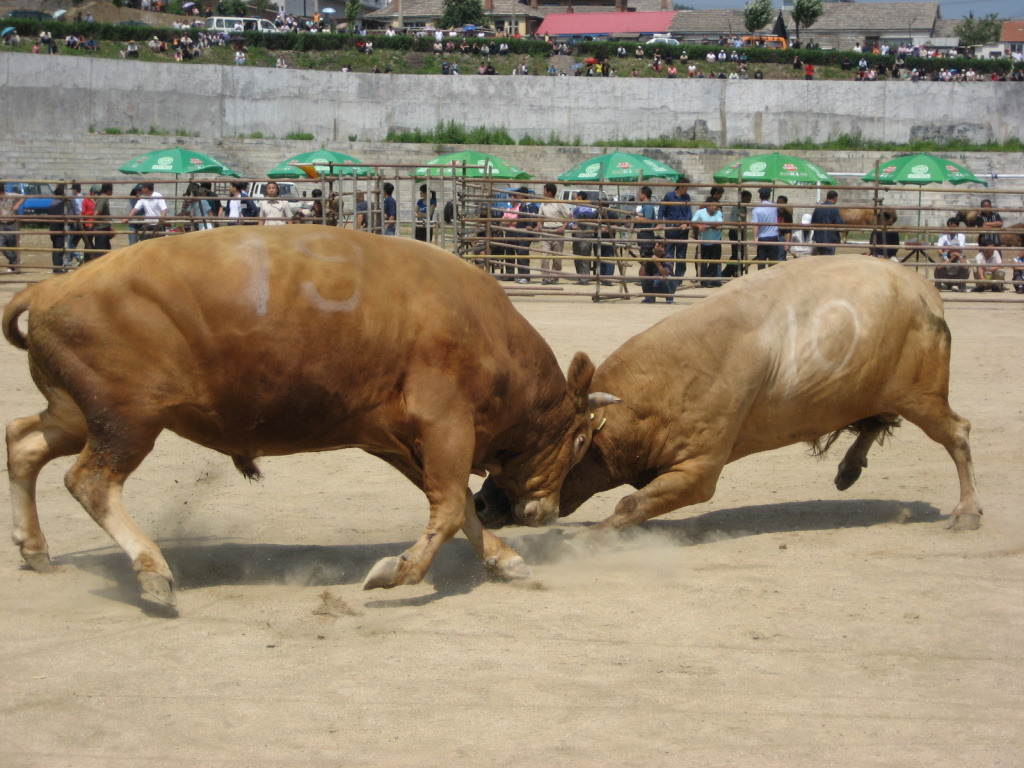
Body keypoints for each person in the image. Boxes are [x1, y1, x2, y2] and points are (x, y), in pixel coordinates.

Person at [535, 183, 569, 284]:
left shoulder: (559, 203)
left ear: (549, 192)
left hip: (557, 231)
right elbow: (539, 216)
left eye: (544, 190)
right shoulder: (543, 203)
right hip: (546, 231)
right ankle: (545, 277)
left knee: (557, 258)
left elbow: (569, 215)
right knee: (545, 256)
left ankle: (555, 277)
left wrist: (563, 226)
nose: (543, 192)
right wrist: (539, 224)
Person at [660, 181, 692, 283]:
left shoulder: (687, 197)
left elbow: (689, 212)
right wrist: (659, 222)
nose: (687, 189)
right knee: (669, 253)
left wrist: (686, 223)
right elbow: (662, 210)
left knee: (681, 255)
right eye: (685, 187)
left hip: (682, 230)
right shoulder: (669, 196)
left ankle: (678, 278)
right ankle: (669, 275)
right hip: (671, 229)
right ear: (680, 186)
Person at [691, 196, 724, 287]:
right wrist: (698, 225)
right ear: (708, 205)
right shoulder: (700, 212)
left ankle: (709, 280)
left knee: (714, 262)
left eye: (716, 205)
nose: (715, 207)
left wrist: (707, 225)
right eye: (713, 205)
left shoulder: (718, 213)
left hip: (715, 241)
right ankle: (703, 280)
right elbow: (693, 222)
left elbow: (719, 223)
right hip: (703, 242)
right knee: (701, 262)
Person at [570, 191, 598, 284]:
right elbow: (572, 219)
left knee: (585, 256)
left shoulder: (588, 207)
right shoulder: (576, 208)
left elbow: (586, 213)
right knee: (577, 257)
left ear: (580, 197)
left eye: (577, 196)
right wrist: (572, 225)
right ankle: (580, 276)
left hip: (586, 234)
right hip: (577, 233)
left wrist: (577, 202)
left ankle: (585, 278)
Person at [934, 217, 968, 291]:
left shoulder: (961, 236)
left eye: (954, 227)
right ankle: (937, 286)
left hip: (956, 255)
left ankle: (961, 286)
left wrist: (952, 251)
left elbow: (961, 249)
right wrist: (947, 254)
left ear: (957, 227)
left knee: (965, 267)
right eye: (950, 226)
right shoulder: (943, 236)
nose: (952, 228)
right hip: (946, 255)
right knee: (938, 267)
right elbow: (939, 249)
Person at [750, 187, 781, 269]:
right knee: (773, 262)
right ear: (769, 196)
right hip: (774, 237)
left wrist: (755, 238)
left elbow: (755, 225)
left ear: (760, 197)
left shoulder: (756, 210)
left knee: (761, 262)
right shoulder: (774, 207)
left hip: (762, 237)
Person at [724, 189, 751, 278]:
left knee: (740, 253)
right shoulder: (738, 206)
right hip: (735, 232)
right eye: (748, 198)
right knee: (736, 254)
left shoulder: (743, 207)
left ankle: (735, 271)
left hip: (739, 231)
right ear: (743, 198)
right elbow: (735, 221)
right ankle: (729, 272)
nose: (749, 200)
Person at [639, 238, 675, 303]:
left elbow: (665, 273)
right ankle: (649, 297)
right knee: (645, 278)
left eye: (662, 247)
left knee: (666, 278)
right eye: (658, 246)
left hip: (666, 284)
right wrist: (644, 263)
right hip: (654, 283)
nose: (660, 248)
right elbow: (641, 275)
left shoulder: (667, 257)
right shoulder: (649, 256)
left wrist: (658, 264)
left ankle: (669, 299)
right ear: (653, 248)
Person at [0, 182, 25, 273]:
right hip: (1, 224)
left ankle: (12, 265)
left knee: (12, 245)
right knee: (1, 245)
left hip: (11, 224)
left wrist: (17, 204)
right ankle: (16, 261)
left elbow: (24, 196)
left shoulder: (11, 195)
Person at [810, 190, 843, 255]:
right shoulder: (834, 209)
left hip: (818, 239)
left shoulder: (818, 208)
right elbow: (839, 224)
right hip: (830, 238)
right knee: (829, 260)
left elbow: (813, 222)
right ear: (835, 198)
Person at [89, 183, 115, 258]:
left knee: (106, 251)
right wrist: (92, 224)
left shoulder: (103, 199)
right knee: (101, 252)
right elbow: (97, 213)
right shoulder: (103, 200)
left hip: (103, 228)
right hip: (101, 228)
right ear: (109, 190)